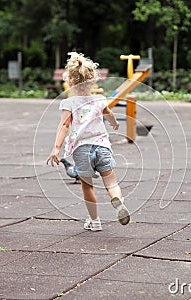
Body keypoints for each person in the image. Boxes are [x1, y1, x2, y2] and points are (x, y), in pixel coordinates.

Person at [46, 52, 130, 231]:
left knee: (87, 187)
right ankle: (119, 202)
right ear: (93, 80)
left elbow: (64, 126)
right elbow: (110, 114)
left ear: (70, 82)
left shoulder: (69, 102)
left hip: (81, 150)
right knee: (111, 182)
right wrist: (114, 123)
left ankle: (95, 221)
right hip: (102, 147)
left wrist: (56, 149)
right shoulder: (99, 99)